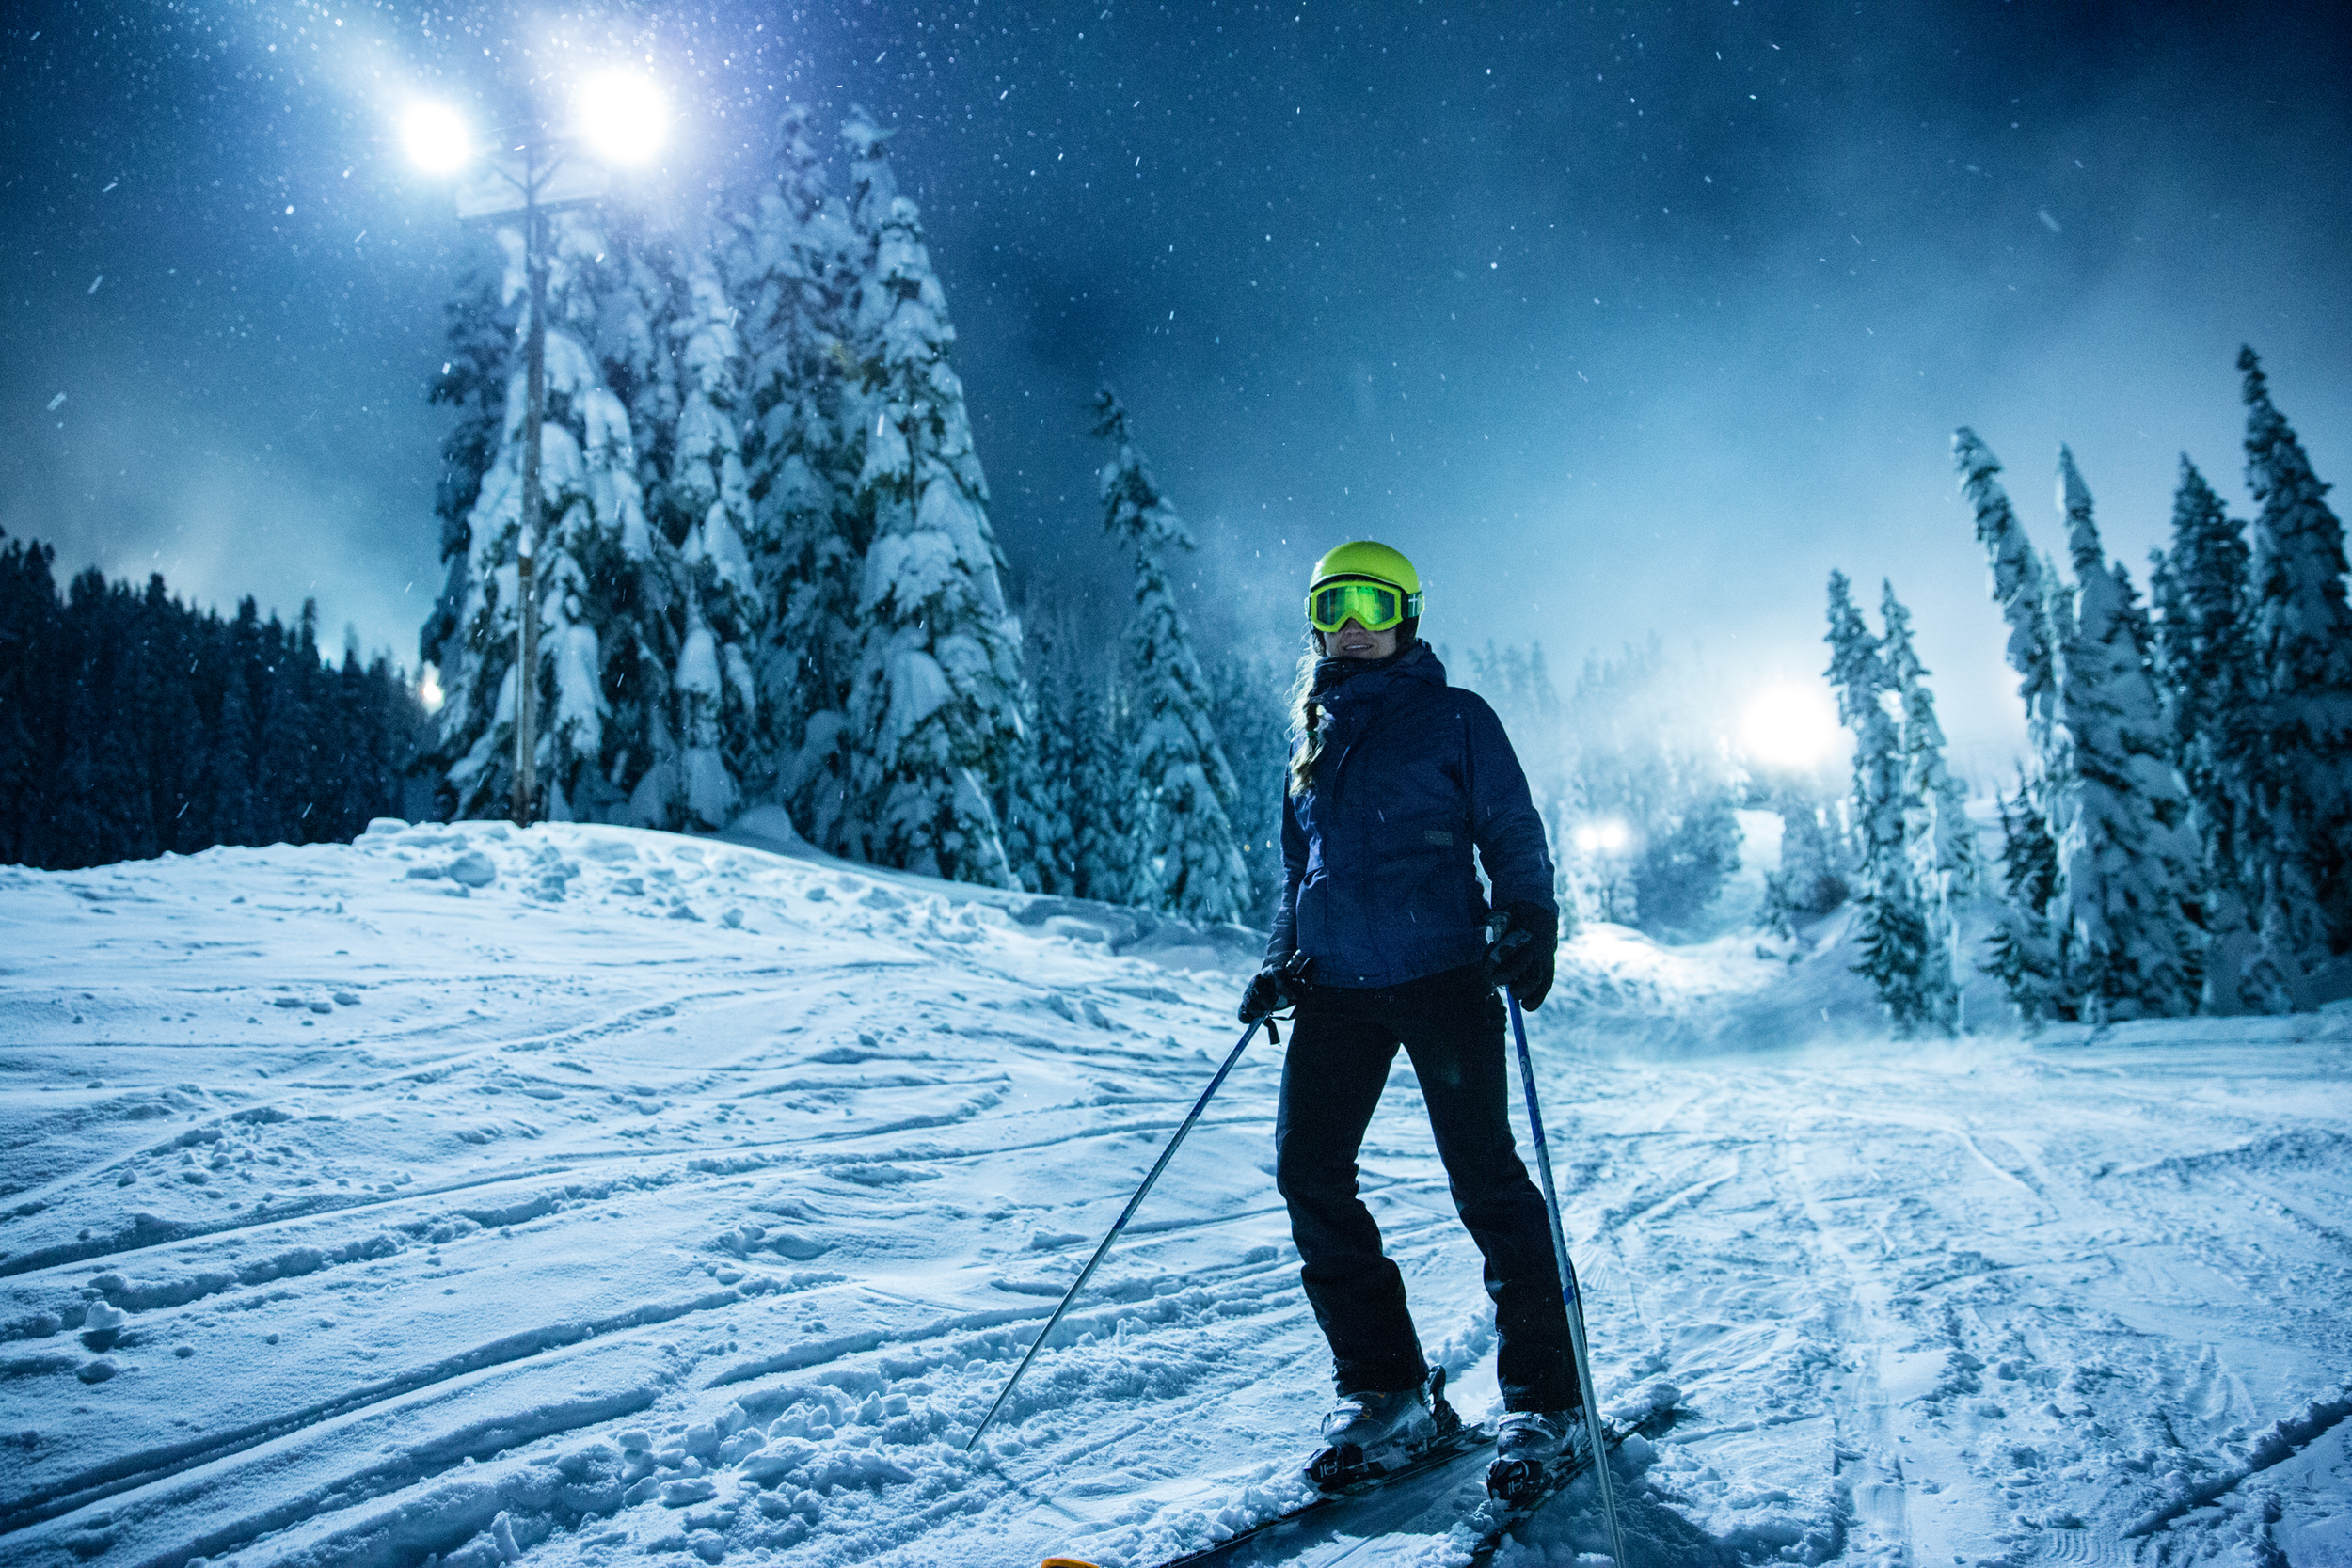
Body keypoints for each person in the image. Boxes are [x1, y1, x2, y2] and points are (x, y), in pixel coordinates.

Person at [1236, 539, 1579, 1499]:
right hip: (1337, 987)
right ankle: (1388, 1387)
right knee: (1309, 1171)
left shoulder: (1456, 718)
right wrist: (1277, 964)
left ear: (1407, 616)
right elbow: (1299, 875)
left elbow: (1511, 829)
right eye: (1334, 601)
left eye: (1371, 602)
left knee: (1485, 1180)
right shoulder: (1313, 738)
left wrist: (1529, 916)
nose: (1352, 618)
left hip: (1443, 975)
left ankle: (1547, 1399)